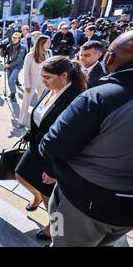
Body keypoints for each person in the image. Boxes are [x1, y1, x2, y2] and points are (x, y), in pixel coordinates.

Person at [39, 31, 133, 247]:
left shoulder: (99, 97)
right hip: (125, 214)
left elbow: (53, 146)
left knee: (61, 240)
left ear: (109, 57)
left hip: (82, 202)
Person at [15, 56, 86, 241]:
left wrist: (53, 169)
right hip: (38, 147)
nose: (43, 81)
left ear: (64, 75)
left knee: (52, 199)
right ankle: (37, 197)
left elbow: (73, 140)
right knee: (19, 174)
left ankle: (55, 230)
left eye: (47, 77)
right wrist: (30, 134)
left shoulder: (76, 97)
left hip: (55, 157)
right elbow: (43, 116)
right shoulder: (52, 88)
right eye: (42, 76)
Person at [17, 35, 52, 128]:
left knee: (43, 102)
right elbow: (26, 71)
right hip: (31, 82)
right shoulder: (30, 55)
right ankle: (21, 121)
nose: (50, 44)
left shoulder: (49, 53)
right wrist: (27, 84)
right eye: (48, 42)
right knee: (26, 103)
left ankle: (40, 121)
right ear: (42, 43)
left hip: (45, 82)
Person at [4, 32, 27, 102]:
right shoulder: (9, 46)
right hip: (9, 65)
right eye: (13, 38)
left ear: (19, 39)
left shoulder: (22, 47)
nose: (14, 39)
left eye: (15, 38)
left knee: (11, 80)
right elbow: (5, 56)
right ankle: (12, 93)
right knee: (9, 81)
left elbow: (19, 60)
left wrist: (8, 65)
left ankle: (13, 96)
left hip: (17, 66)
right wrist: (3, 49)